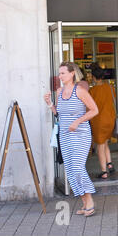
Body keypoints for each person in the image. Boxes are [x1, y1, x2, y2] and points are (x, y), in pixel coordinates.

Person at [44, 61, 99, 217]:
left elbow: (94, 110)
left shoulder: (80, 90)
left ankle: (90, 202)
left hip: (80, 134)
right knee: (70, 170)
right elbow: (59, 115)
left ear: (72, 73)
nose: (60, 76)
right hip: (65, 135)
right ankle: (84, 202)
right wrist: (49, 104)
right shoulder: (60, 91)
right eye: (59, 73)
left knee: (77, 167)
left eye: (63, 73)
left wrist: (78, 121)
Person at [88, 63, 116, 179]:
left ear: (94, 77)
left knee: (100, 146)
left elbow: (89, 106)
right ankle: (109, 164)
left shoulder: (92, 91)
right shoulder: (110, 88)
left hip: (98, 121)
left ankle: (104, 171)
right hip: (110, 119)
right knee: (104, 142)